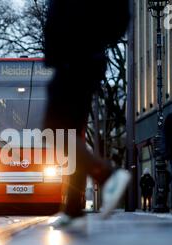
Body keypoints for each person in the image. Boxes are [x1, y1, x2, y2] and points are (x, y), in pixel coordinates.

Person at [44, 0, 132, 229]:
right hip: (87, 59)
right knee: (72, 135)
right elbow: (121, 19)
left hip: (72, 60)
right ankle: (74, 210)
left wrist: (71, 46)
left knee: (53, 129)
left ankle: (106, 174)